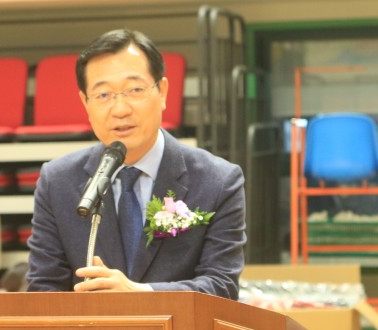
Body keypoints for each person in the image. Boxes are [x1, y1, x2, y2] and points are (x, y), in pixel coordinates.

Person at [25, 28, 246, 298]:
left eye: (135, 90)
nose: (120, 109)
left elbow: (222, 286)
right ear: (85, 103)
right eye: (103, 95)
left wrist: (140, 293)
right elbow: (44, 289)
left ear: (162, 92)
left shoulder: (218, 181)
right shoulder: (58, 181)